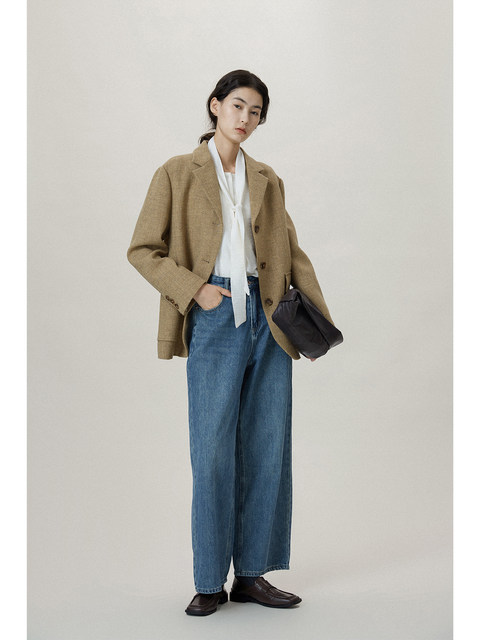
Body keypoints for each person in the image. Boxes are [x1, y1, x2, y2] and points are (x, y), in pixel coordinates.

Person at [127, 69, 335, 616]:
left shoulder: (267, 178)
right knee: (213, 451)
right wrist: (196, 290)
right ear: (215, 105)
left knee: (267, 446)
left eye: (256, 112)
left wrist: (319, 322)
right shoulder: (177, 172)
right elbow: (143, 248)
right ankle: (208, 580)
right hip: (215, 316)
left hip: (269, 316)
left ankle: (252, 574)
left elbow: (292, 252)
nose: (246, 119)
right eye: (238, 106)